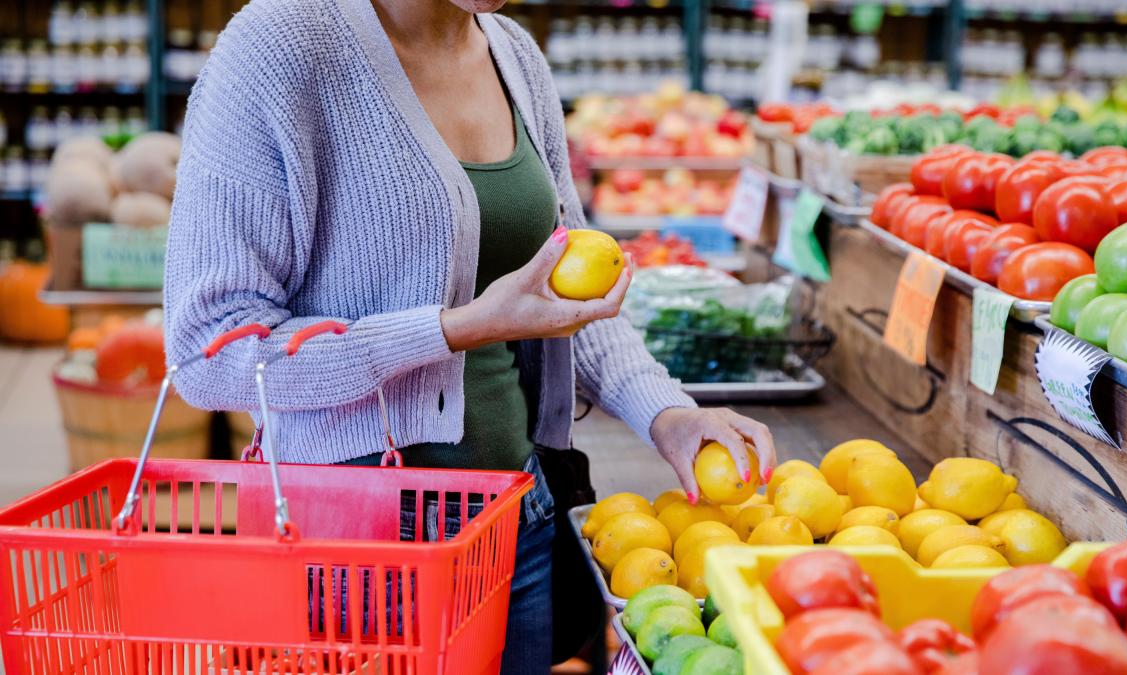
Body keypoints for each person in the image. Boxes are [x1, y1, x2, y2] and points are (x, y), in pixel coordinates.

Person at [162, 0, 776, 671]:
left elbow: (563, 290)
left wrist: (669, 414)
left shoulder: (514, 55)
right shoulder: (280, 48)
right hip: (355, 550)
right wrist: (453, 330)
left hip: (521, 524)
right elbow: (209, 351)